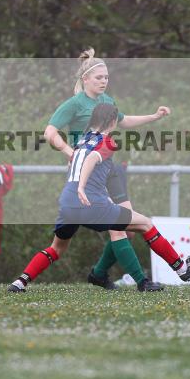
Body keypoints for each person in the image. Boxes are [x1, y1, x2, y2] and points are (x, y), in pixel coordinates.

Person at [10, 104, 190, 292]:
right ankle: (180, 270)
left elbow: (74, 165)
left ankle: (20, 282)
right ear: (113, 121)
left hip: (67, 204)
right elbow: (91, 160)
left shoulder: (81, 141)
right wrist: (82, 188)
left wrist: (83, 188)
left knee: (56, 248)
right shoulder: (108, 141)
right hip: (90, 203)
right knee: (145, 224)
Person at [44, 48, 171, 292]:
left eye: (106, 77)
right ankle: (142, 283)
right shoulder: (74, 104)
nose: (103, 81)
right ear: (85, 80)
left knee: (130, 231)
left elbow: (124, 121)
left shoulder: (107, 101)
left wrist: (154, 117)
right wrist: (69, 152)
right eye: (99, 77)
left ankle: (99, 274)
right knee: (118, 228)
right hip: (88, 174)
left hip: (110, 170)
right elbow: (49, 132)